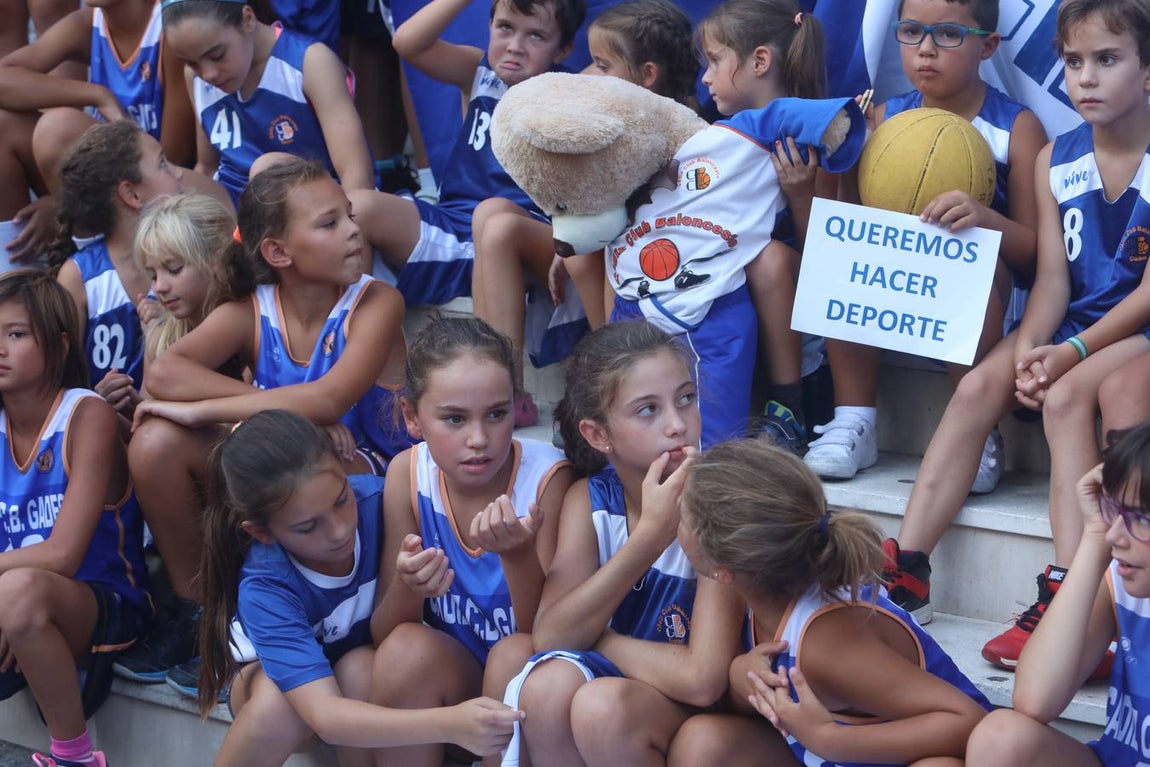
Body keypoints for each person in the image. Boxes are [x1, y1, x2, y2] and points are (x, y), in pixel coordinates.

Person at [881, 0, 1150, 671]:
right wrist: (1031, 347)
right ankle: (907, 571)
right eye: (1074, 61)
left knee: (1065, 397)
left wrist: (1068, 354)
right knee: (977, 386)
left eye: (1107, 59)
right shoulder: (1057, 157)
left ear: (1148, 71)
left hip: (1137, 329)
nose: (1086, 77)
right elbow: (1053, 279)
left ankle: (1074, 598)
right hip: (1075, 326)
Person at [117, 158, 409, 687]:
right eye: (330, 223)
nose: (353, 230)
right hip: (292, 470)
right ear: (278, 252)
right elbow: (164, 373)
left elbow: (329, 398)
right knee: (155, 443)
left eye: (348, 216)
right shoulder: (253, 308)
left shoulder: (378, 302)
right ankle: (205, 617)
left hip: (370, 479)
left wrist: (209, 409)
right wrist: (279, 412)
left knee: (317, 461)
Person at [804, 0, 1047, 481]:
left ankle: (975, 431)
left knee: (970, 263)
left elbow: (1035, 251)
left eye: (948, 34)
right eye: (912, 31)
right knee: (845, 250)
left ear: (988, 46)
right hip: (896, 290)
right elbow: (844, 219)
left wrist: (984, 219)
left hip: (987, 301)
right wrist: (837, 165)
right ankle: (855, 417)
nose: (926, 49)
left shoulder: (1017, 128)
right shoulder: (882, 118)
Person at [197, 408, 524, 765]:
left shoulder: (383, 501)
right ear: (261, 532)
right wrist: (450, 724)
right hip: (283, 689)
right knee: (280, 706)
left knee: (358, 668)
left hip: (364, 668)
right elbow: (325, 717)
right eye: (309, 527)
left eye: (342, 500)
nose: (339, 530)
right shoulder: (266, 586)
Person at [500, 321, 747, 767]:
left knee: (602, 707)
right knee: (546, 683)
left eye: (686, 399)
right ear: (599, 435)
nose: (678, 425)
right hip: (641, 688)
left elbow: (703, 680)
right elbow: (550, 635)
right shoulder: (590, 501)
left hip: (717, 717)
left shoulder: (722, 505)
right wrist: (648, 539)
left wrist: (597, 639)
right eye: (648, 409)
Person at [669, 438, 990, 767]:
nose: (676, 521)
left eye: (682, 517)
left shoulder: (826, 643)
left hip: (933, 751)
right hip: (834, 755)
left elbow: (970, 721)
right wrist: (741, 675)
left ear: (722, 568)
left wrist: (830, 739)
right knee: (705, 743)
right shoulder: (757, 587)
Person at [471, 0, 697, 426]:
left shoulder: (685, 132)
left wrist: (574, 243)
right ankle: (502, 393)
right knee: (493, 217)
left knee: (581, 253)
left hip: (650, 266)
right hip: (600, 255)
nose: (587, 74)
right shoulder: (601, 118)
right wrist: (567, 234)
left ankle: (608, 376)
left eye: (602, 65)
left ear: (647, 75)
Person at [369, 316, 573, 767]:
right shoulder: (407, 474)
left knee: (513, 652)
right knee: (403, 650)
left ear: (516, 406)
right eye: (455, 419)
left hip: (531, 688)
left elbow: (549, 637)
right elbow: (384, 631)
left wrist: (517, 554)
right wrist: (409, 585)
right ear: (411, 417)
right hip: (456, 684)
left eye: (496, 414)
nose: (479, 439)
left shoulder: (547, 480)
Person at [0, 270, 151, 767]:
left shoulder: (87, 415)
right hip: (19, 605)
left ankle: (74, 758)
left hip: (103, 604)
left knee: (17, 592)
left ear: (60, 345)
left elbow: (63, 555)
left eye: (15, 334)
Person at [694, 0, 857, 452]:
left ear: (760, 61)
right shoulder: (719, 135)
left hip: (802, 317)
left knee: (768, 259)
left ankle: (788, 409)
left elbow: (829, 255)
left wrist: (801, 197)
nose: (705, 77)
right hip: (725, 310)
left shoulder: (814, 135)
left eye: (715, 61)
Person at [348, 0, 586, 309]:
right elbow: (407, 43)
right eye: (505, 27)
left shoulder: (570, 93)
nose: (515, 46)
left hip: (520, 232)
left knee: (493, 216)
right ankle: (350, 331)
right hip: (456, 221)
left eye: (536, 36)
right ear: (489, 26)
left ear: (563, 50)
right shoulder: (478, 70)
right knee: (357, 207)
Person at [965, 421, 1150, 767]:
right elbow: (1034, 700)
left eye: (1140, 518)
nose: (1115, 536)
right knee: (1000, 738)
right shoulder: (1121, 583)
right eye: (1116, 510)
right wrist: (1093, 537)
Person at [0, 0, 196, 263]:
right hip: (104, 180)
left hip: (172, 186)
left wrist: (63, 203)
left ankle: (101, 269)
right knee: (5, 124)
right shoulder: (88, 22)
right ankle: (17, 278)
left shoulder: (170, 24)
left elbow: (173, 157)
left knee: (58, 129)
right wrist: (99, 96)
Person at [161, 0, 374, 205]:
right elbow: (207, 167)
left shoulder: (310, 62)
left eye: (217, 55)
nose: (208, 74)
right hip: (235, 212)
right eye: (191, 63)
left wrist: (342, 224)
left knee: (266, 169)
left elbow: (356, 176)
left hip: (315, 207)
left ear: (248, 19)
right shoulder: (195, 77)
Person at [51, 120, 186, 426]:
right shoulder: (79, 277)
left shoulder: (193, 261)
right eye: (162, 163)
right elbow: (58, 386)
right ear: (131, 193)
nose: (178, 173)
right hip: (101, 435)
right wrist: (93, 398)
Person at [135, 192, 257, 367]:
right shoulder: (161, 341)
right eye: (153, 276)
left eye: (174, 269)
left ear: (218, 258)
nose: (159, 287)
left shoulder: (259, 321)